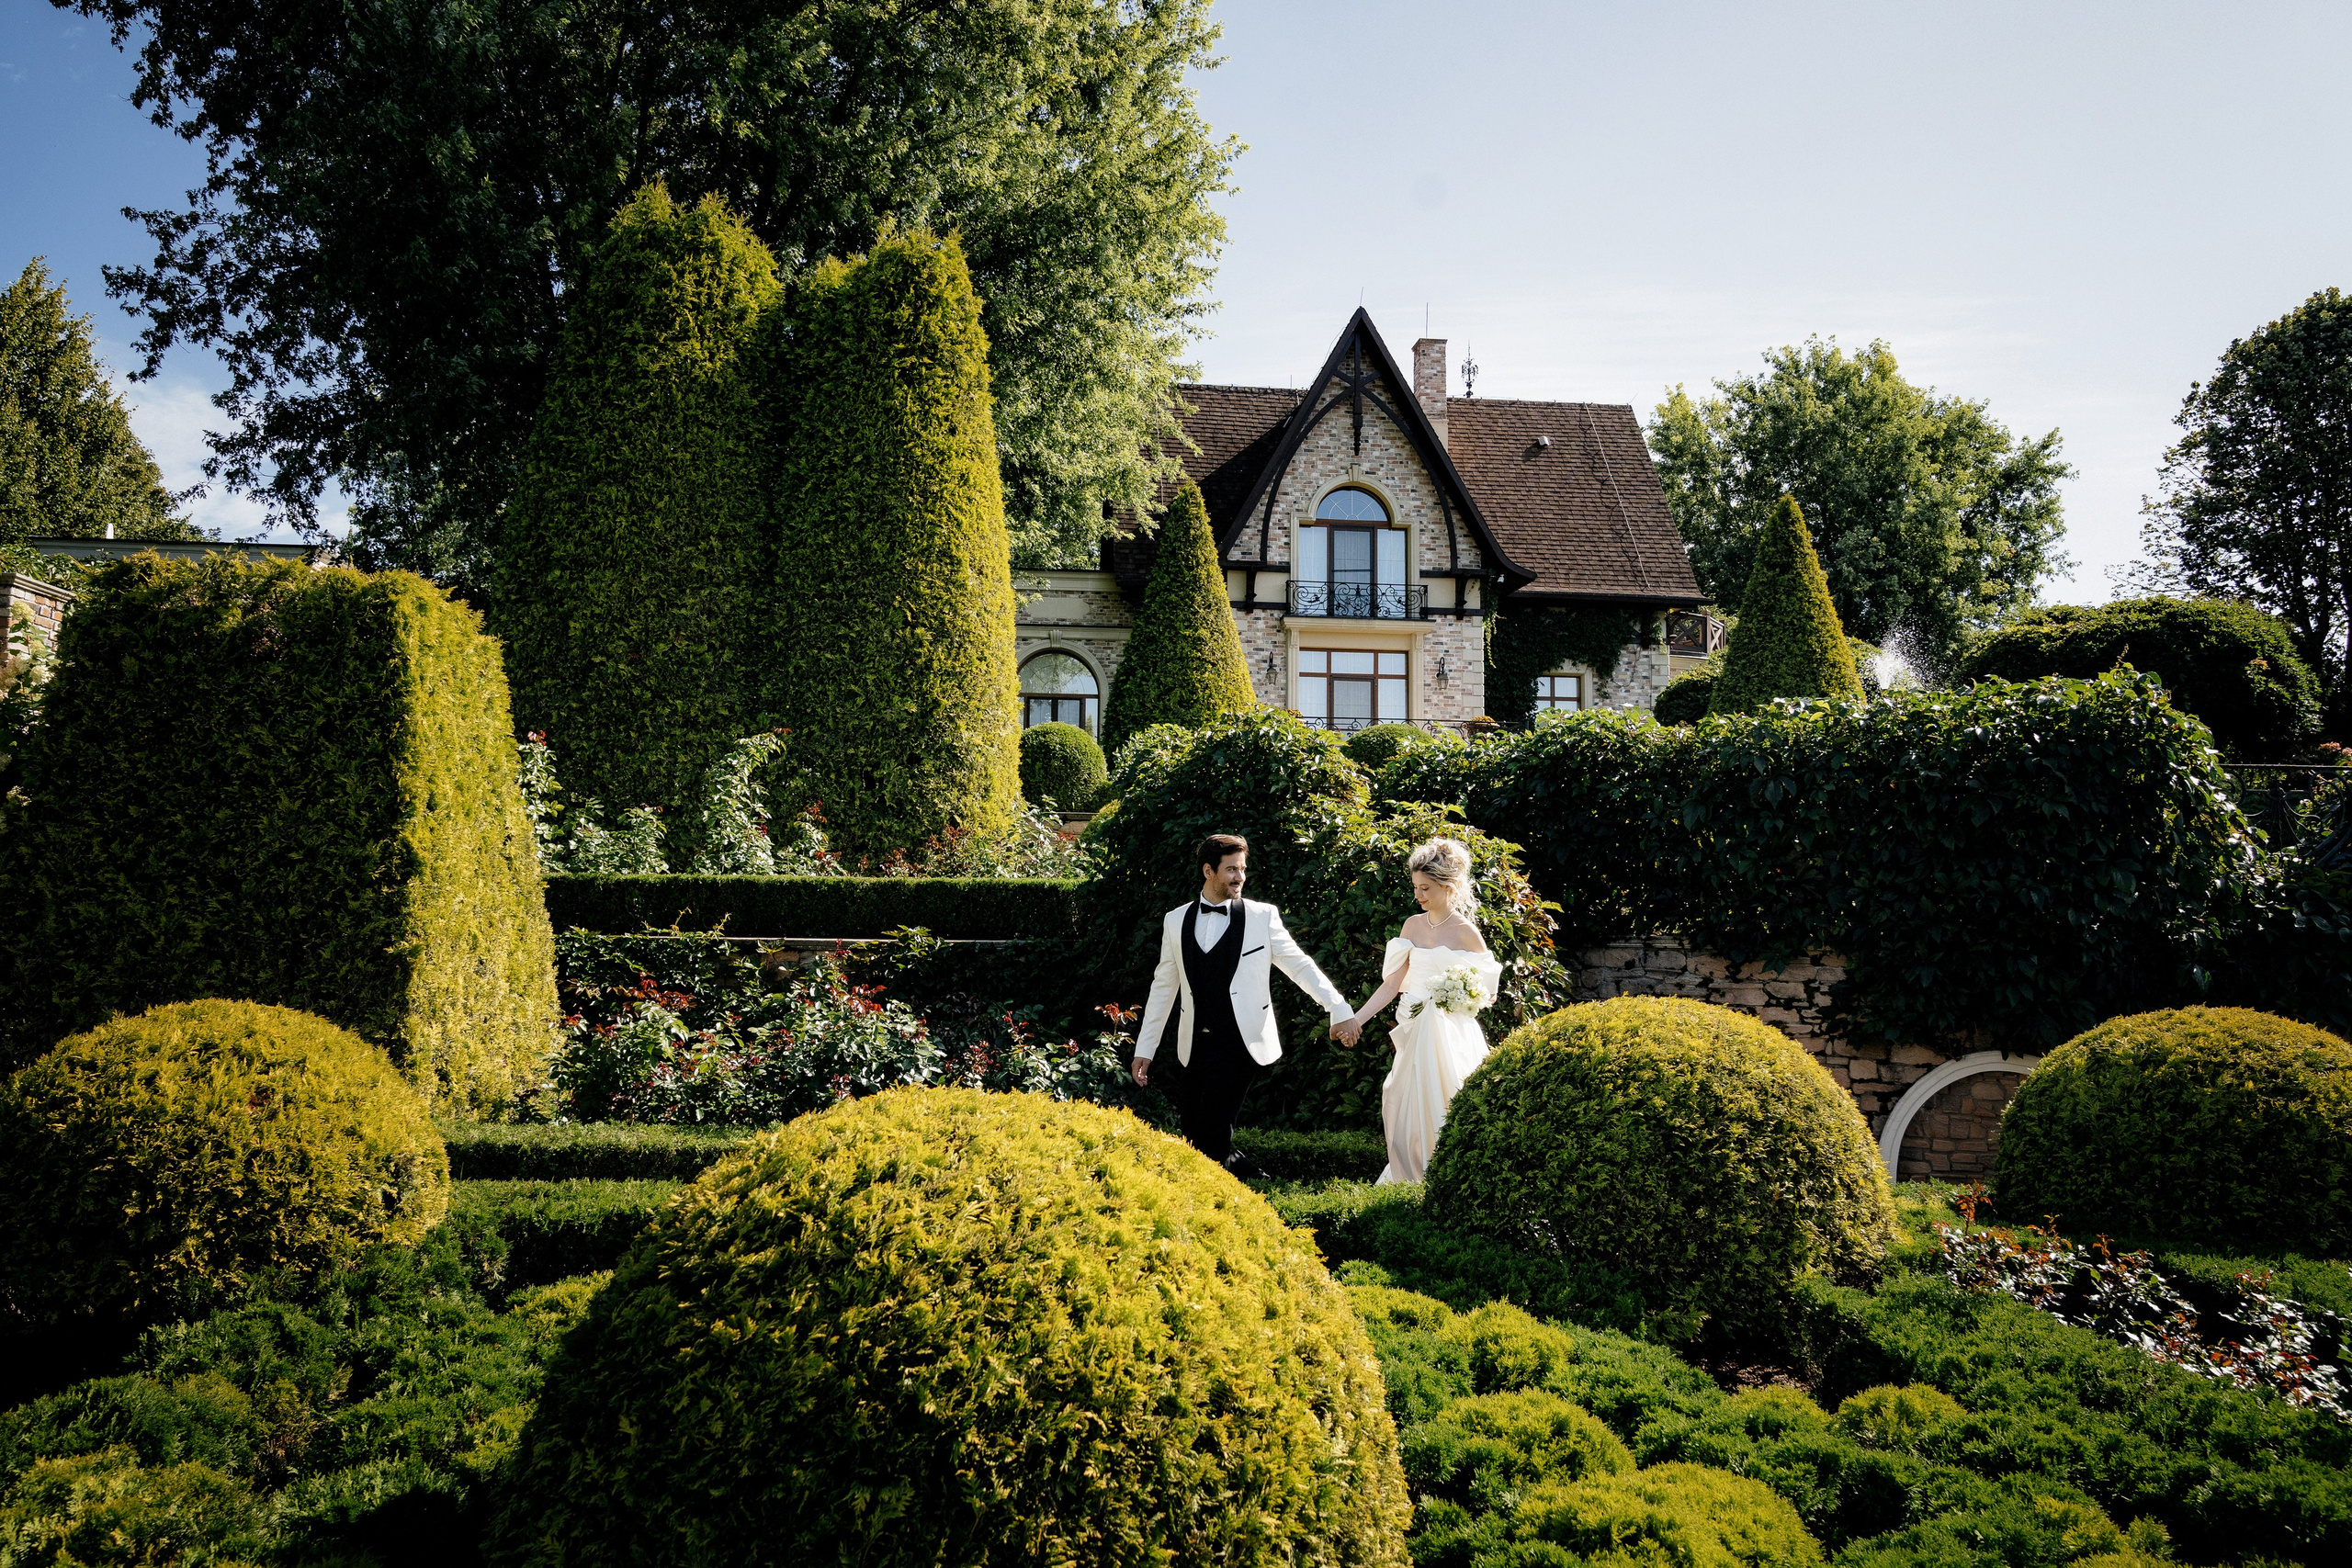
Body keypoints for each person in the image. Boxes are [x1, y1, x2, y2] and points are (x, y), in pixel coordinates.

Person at [1131, 832, 1355, 1178]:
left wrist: (1337, 1008)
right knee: (1193, 1133)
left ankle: (1215, 1197)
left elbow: (1300, 966)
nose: (1240, 877)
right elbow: (1163, 988)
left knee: (1212, 1131)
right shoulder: (1175, 920)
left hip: (1241, 1042)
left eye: (1243, 869)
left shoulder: (1262, 917)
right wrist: (1145, 1049)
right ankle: (1253, 1177)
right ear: (1208, 871)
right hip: (1194, 1044)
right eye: (1232, 869)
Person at [1337, 837, 1502, 1184]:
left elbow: (1486, 993)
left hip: (1449, 1036)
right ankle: (1412, 1179)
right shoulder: (1411, 926)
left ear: (1449, 886)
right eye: (1415, 887)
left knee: (1447, 1102)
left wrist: (1458, 997)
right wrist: (1355, 1019)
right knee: (1403, 1104)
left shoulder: (1467, 933)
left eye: (1425, 888)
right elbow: (1392, 984)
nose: (1418, 895)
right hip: (1412, 1031)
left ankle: (1448, 1180)